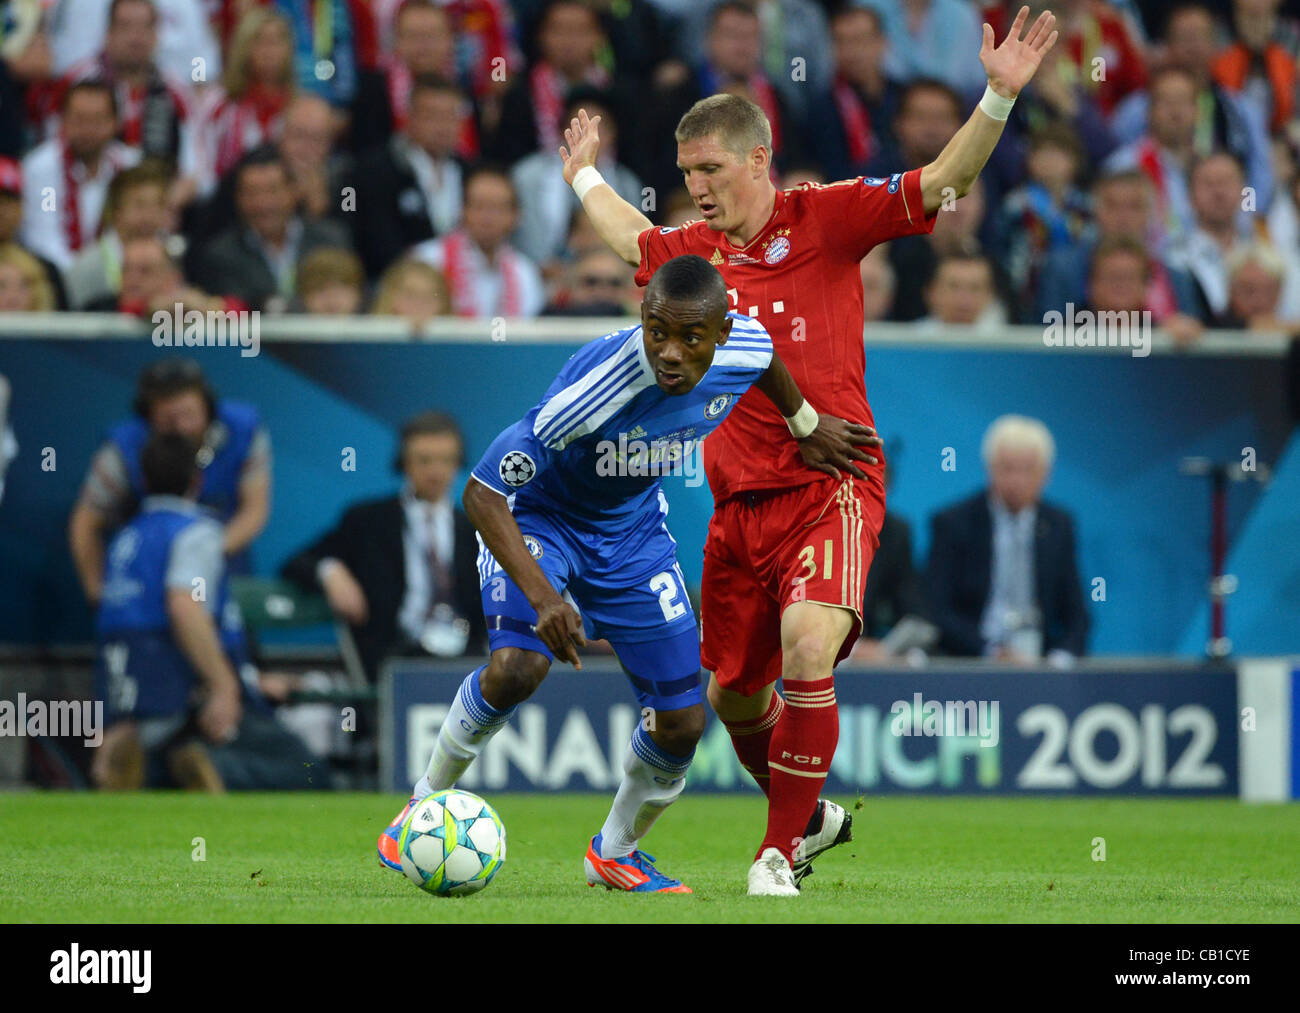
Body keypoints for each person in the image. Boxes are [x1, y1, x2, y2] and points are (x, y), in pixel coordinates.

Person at [560, 5, 1058, 894]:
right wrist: (583, 175)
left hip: (832, 478)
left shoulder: (825, 218)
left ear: (758, 158)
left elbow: (943, 182)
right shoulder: (695, 252)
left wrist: (997, 97)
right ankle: (811, 813)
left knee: (807, 646)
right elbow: (630, 239)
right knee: (733, 698)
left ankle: (774, 852)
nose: (698, 186)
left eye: (710, 168)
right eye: (685, 172)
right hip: (736, 505)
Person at [377, 254, 879, 892]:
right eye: (657, 332)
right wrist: (545, 597)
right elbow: (481, 494)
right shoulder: (596, 391)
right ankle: (419, 805)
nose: (669, 353)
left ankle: (614, 851)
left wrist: (804, 425)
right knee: (518, 667)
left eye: (689, 338)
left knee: (683, 719)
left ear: (720, 333)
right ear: (641, 320)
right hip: (543, 521)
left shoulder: (744, 344)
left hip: (633, 534)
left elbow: (766, 361)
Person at [93, 430, 317, 791]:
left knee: (160, 761)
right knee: (306, 770)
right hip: (186, 691)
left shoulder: (127, 538)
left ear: (142, 480)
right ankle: (211, 766)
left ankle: (150, 763)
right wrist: (225, 685)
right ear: (198, 480)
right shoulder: (196, 533)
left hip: (131, 690)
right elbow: (184, 606)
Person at [282, 411, 486, 680]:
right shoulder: (368, 521)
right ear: (404, 463)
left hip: (463, 660)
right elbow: (298, 562)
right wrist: (331, 572)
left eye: (446, 460)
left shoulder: (475, 529)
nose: (436, 472)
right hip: (390, 658)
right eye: (424, 460)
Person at [69, 358, 271, 607]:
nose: (182, 427)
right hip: (145, 585)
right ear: (148, 416)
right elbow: (85, 521)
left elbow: (255, 509)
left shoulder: (243, 429)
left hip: (221, 571)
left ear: (207, 407)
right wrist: (97, 594)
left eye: (189, 415)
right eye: (168, 419)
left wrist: (198, 558)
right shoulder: (123, 447)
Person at [924, 414, 1089, 664]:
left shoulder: (1059, 526)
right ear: (989, 468)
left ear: (1046, 473)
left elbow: (1077, 614)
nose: (1017, 481)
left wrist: (1060, 659)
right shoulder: (954, 523)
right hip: (970, 663)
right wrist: (989, 652)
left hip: (1039, 663)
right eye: (1007, 468)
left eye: (1028, 470)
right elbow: (936, 609)